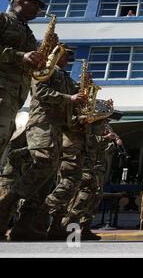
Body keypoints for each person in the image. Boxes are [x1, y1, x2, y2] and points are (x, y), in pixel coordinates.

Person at [0, 47, 85, 241]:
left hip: (56, 126)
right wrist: (69, 98)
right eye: (65, 54)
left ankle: (25, 223)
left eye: (70, 55)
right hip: (42, 123)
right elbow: (40, 92)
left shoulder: (64, 76)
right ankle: (8, 201)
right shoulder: (45, 69)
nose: (69, 58)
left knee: (48, 173)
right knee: (44, 163)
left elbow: (76, 97)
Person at [0, 0, 45, 159]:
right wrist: (20, 56)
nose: (38, 9)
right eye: (35, 3)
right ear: (20, 1)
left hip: (15, 96)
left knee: (3, 139)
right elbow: (19, 57)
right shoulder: (3, 19)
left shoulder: (29, 34)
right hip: (2, 87)